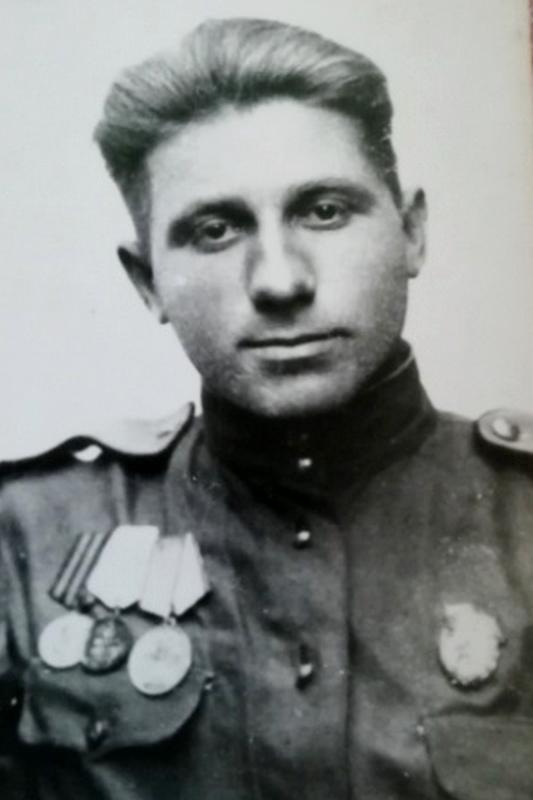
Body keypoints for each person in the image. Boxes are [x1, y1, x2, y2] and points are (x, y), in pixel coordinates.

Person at [1, 16, 532, 800]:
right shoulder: (23, 540)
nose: (279, 280)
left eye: (324, 211)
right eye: (215, 230)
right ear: (147, 282)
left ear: (411, 232)